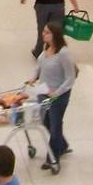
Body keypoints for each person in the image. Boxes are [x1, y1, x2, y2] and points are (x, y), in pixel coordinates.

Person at [28, 22, 76, 169]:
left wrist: (57, 93)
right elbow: (39, 67)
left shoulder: (63, 53)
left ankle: (52, 158)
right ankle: (63, 144)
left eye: (47, 32)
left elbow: (70, 78)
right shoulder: (46, 50)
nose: (43, 34)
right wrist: (33, 78)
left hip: (58, 96)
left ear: (55, 35)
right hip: (43, 92)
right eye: (44, 31)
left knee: (55, 125)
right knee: (45, 122)